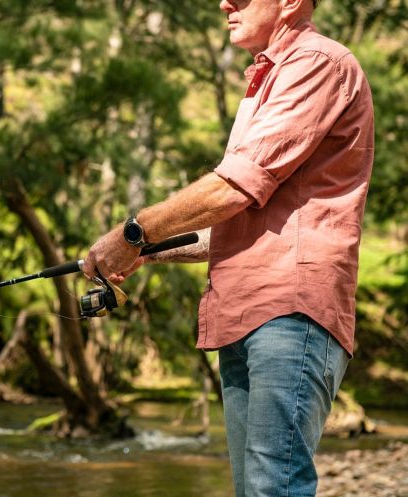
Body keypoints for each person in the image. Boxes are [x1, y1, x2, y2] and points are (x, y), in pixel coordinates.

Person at [82, 0, 374, 495]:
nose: (225, 3)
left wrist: (133, 231)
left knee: (271, 488)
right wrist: (144, 251)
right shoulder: (267, 80)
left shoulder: (316, 63)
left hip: (289, 313)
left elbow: (234, 188)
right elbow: (237, 220)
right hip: (243, 315)